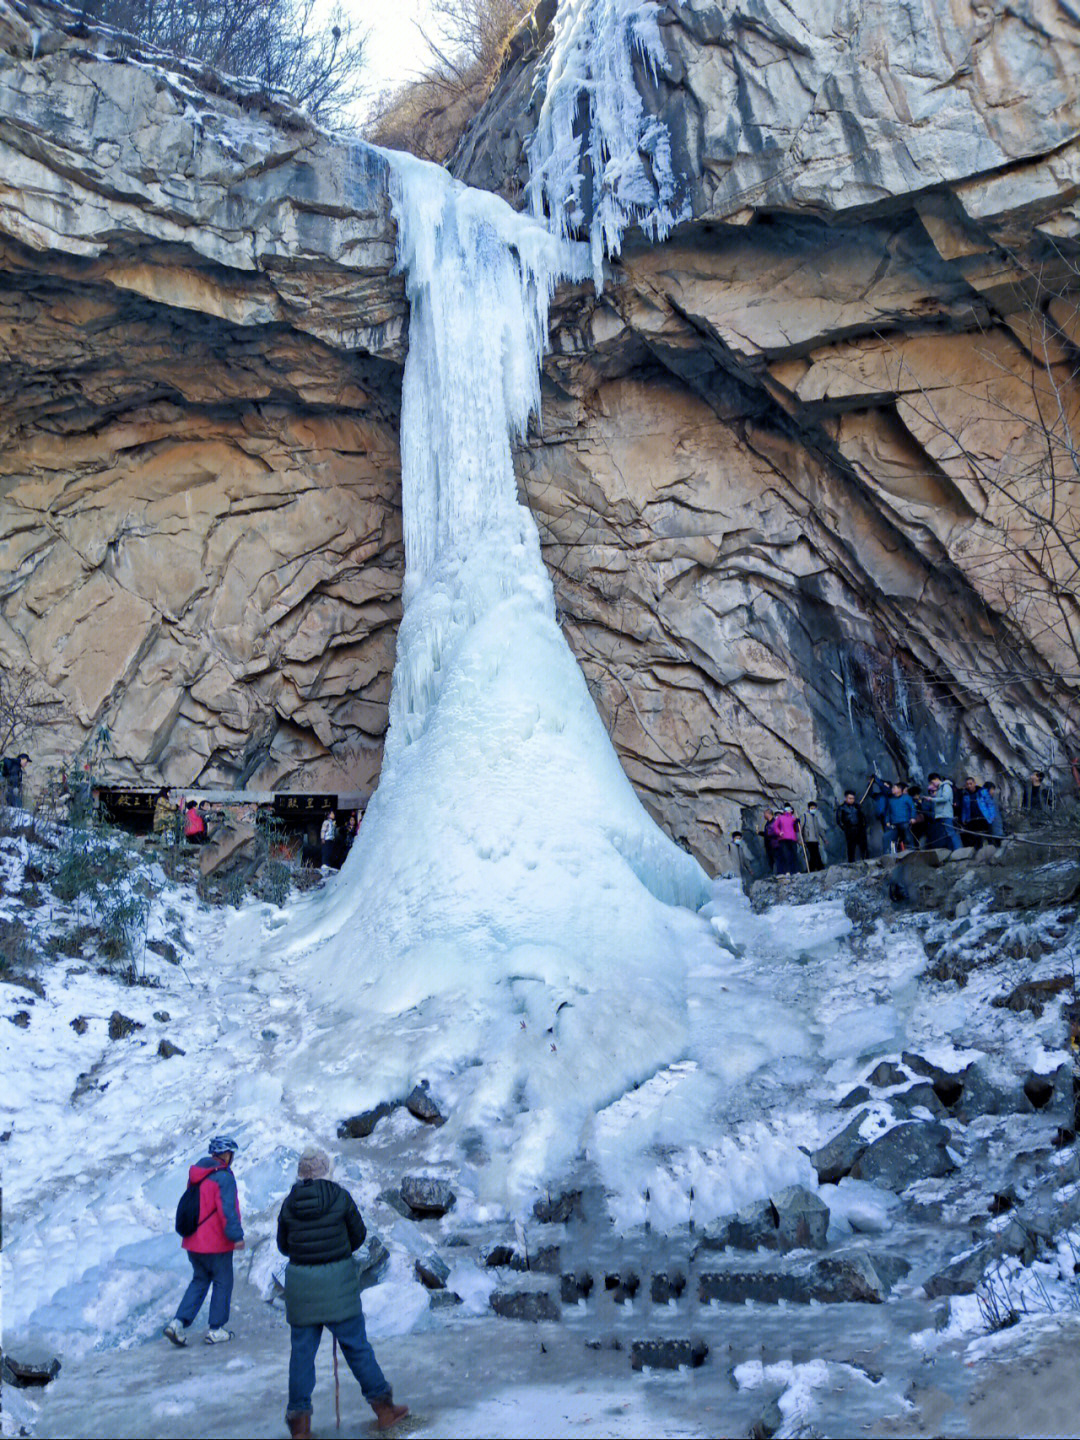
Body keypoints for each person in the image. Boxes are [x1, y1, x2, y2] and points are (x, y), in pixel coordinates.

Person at [278, 1148, 408, 1438]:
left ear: (301, 1173)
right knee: (357, 1348)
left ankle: (300, 1427)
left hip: (302, 1289)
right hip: (339, 1285)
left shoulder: (289, 1203)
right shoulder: (340, 1197)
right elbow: (358, 1236)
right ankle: (385, 1412)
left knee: (301, 1357)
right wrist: (336, 1251)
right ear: (327, 1171)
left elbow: (284, 1246)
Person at [164, 1135, 244, 1347]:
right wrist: (236, 1236)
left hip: (193, 1242)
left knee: (200, 1280)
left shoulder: (197, 1174)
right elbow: (228, 1210)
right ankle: (216, 1329)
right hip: (215, 1243)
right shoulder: (224, 1177)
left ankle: (177, 1324)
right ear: (226, 1155)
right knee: (222, 1281)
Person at [925, 773, 961, 851]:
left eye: (932, 782)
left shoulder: (946, 786)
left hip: (946, 814)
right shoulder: (940, 788)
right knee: (947, 834)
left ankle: (959, 850)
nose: (932, 784)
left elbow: (945, 798)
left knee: (951, 833)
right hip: (941, 814)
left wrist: (931, 799)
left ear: (936, 779)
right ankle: (952, 850)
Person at [882, 781, 918, 853]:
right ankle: (887, 855)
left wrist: (913, 817)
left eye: (894, 788)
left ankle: (912, 853)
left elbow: (913, 808)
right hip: (894, 824)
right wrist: (887, 821)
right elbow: (888, 812)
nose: (892, 789)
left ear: (899, 789)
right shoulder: (891, 800)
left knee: (908, 838)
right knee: (886, 837)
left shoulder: (907, 798)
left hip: (905, 822)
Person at [835, 790, 869, 863]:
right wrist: (845, 828)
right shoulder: (841, 808)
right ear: (845, 798)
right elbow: (839, 820)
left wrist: (864, 826)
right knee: (851, 848)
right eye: (850, 798)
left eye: (853, 798)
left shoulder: (857, 806)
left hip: (859, 829)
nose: (851, 800)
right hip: (850, 830)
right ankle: (851, 863)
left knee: (863, 846)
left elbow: (863, 817)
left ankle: (866, 861)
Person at [772, 805, 800, 876]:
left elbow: (797, 829)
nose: (788, 810)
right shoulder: (780, 818)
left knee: (794, 854)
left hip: (792, 838)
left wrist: (797, 823)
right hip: (783, 838)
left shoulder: (793, 818)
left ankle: (796, 870)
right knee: (785, 855)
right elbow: (775, 826)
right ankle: (787, 870)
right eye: (787, 809)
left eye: (789, 809)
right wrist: (779, 832)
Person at [801, 802, 827, 871]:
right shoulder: (805, 816)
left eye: (814, 808)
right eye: (812, 808)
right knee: (814, 854)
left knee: (816, 854)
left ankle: (813, 869)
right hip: (808, 839)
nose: (813, 809)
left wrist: (824, 838)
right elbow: (800, 827)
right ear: (808, 808)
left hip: (815, 839)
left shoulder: (815, 817)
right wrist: (800, 839)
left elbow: (819, 829)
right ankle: (818, 868)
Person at [759, 808, 779, 876]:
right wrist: (760, 833)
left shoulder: (774, 822)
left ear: (768, 814)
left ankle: (779, 873)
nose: (764, 815)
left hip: (774, 844)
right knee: (770, 860)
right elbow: (767, 834)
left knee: (776, 859)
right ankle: (773, 873)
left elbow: (772, 833)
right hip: (769, 845)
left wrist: (762, 833)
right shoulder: (768, 823)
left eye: (764, 814)